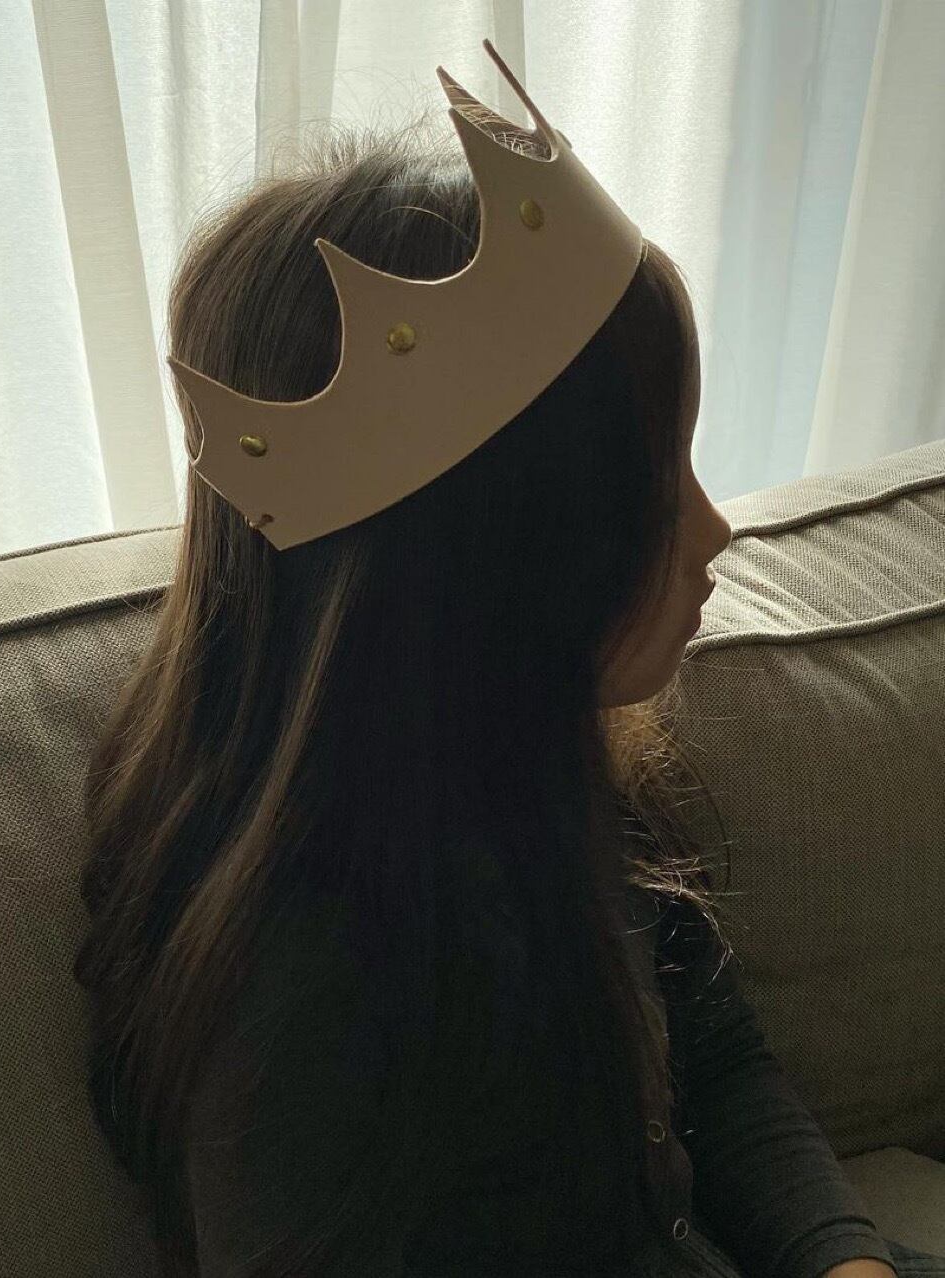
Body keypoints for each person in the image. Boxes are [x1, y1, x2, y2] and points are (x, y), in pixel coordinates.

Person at [73, 40, 943, 1277]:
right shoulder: (298, 999)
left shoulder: (543, 769)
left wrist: (842, 1260)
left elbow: (719, 1063)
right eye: (656, 482)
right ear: (498, 565)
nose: (715, 530)